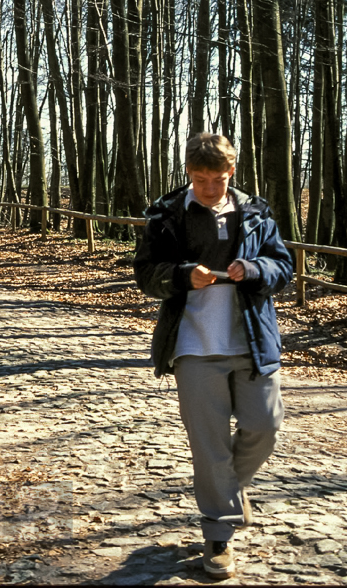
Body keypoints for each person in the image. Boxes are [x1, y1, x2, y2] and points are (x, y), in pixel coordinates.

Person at [133, 133, 293, 581]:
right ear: (188, 173)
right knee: (209, 445)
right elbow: (146, 274)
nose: (209, 188)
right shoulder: (166, 216)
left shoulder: (256, 212)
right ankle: (218, 533)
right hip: (193, 345)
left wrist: (257, 269)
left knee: (265, 426)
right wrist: (184, 276)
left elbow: (283, 266)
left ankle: (229, 489)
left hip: (253, 341)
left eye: (217, 179)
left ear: (232, 171)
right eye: (200, 179)